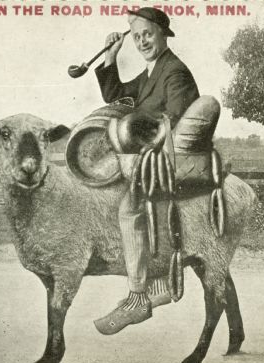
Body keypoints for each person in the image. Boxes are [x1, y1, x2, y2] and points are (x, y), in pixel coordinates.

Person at [93, 7, 200, 335]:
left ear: (162, 35)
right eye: (136, 36)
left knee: (129, 209)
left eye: (147, 35)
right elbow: (117, 96)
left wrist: (137, 135)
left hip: (173, 155)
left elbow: (177, 118)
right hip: (154, 151)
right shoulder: (153, 72)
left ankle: (139, 294)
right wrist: (111, 56)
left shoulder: (174, 71)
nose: (141, 41)